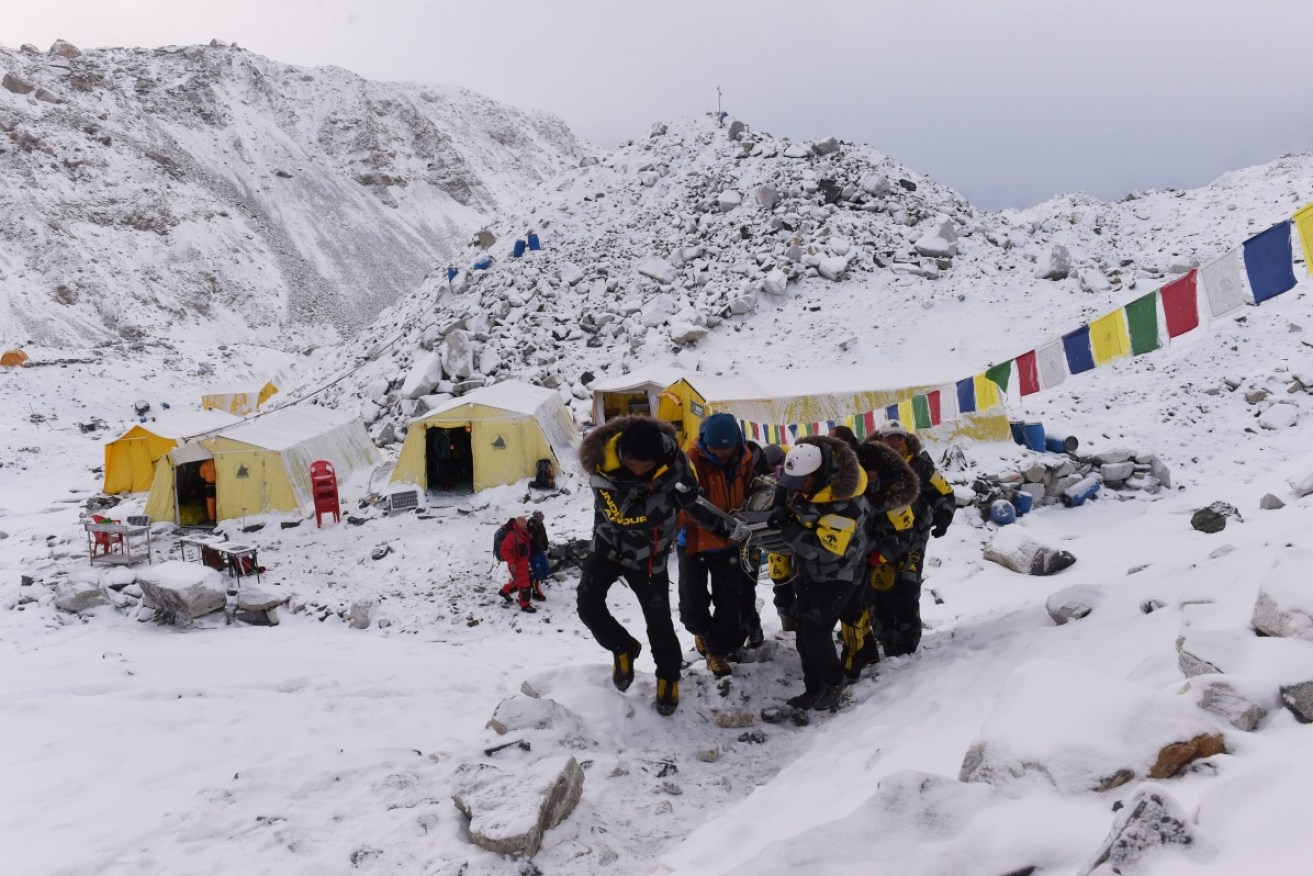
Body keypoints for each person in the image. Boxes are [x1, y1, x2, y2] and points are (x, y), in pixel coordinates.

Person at [576, 415, 747, 716]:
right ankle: (622, 647)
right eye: (633, 465)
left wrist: (724, 527)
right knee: (588, 605)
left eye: (646, 466)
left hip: (650, 556)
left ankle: (668, 677)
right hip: (609, 547)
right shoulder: (601, 465)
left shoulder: (676, 464)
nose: (640, 470)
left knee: (659, 623)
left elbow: (693, 504)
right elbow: (623, 517)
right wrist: (667, 496)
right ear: (622, 455)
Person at [772, 436, 868, 711]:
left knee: (816, 631)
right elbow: (785, 483)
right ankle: (813, 688)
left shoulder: (845, 503)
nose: (796, 489)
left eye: (801, 483)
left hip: (840, 572)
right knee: (803, 633)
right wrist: (780, 505)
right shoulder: (807, 476)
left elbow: (826, 551)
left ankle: (835, 681)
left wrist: (790, 530)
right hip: (810, 570)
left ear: (819, 474)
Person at [677, 414, 767, 677]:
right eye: (717, 449)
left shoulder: (747, 457)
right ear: (705, 443)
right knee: (692, 606)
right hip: (694, 541)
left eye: (727, 449)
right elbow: (688, 504)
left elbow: (753, 488)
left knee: (730, 604)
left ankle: (716, 651)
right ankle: (702, 632)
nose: (722, 454)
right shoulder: (690, 461)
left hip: (731, 543)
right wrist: (719, 526)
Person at [873, 421, 956, 656]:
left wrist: (943, 517)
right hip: (881, 540)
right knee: (881, 589)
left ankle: (907, 642)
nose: (894, 443)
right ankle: (884, 635)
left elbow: (944, 492)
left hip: (914, 540)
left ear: (905, 441)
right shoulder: (871, 466)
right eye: (888, 438)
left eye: (898, 438)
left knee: (907, 588)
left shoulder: (921, 466)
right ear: (879, 441)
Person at [839, 441, 920, 681]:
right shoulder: (852, 482)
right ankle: (867, 651)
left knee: (886, 597)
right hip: (855, 551)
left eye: (869, 472)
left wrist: (880, 555)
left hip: (880, 552)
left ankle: (897, 645)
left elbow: (904, 534)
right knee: (858, 603)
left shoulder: (893, 491)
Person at [498, 516, 536, 613]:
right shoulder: (512, 535)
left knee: (517, 582)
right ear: (518, 525)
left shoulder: (522, 531)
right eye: (523, 526)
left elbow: (524, 541)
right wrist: (511, 562)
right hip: (516, 565)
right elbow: (504, 550)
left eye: (525, 526)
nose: (525, 528)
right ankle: (525, 605)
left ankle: (504, 591)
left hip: (523, 563)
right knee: (524, 585)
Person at [527, 510, 550, 600]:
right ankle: (536, 592)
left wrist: (546, 544)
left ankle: (534, 582)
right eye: (538, 518)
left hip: (540, 551)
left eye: (541, 518)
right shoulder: (530, 527)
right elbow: (528, 540)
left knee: (545, 569)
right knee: (538, 572)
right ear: (534, 519)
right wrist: (534, 547)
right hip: (533, 553)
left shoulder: (541, 526)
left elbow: (544, 535)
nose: (540, 520)